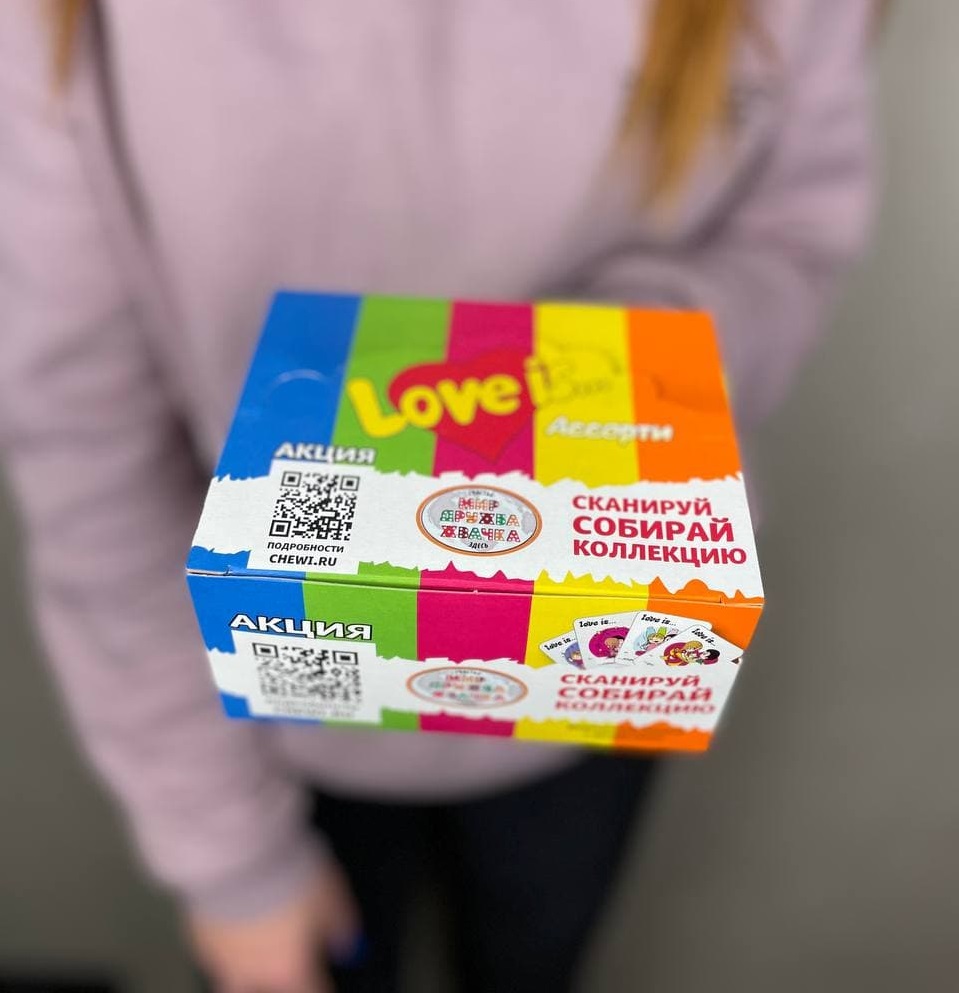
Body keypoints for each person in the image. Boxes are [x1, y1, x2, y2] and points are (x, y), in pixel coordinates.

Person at [0, 1, 876, 990]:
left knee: (535, 943)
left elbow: (795, 225)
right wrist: (230, 864)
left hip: (599, 668)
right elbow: (87, 442)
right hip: (268, 707)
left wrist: (600, 373)